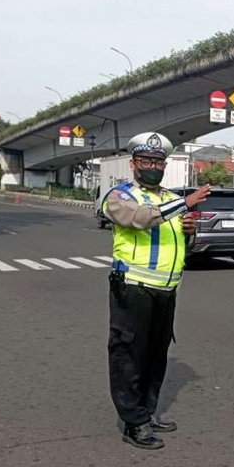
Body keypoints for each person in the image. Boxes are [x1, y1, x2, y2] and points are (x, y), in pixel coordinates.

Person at [100, 132, 211, 450]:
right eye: (146, 161)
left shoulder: (168, 199)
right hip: (133, 288)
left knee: (155, 354)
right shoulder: (120, 197)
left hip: (166, 289)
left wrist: (188, 230)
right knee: (129, 355)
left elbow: (176, 242)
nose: (153, 166)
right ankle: (133, 423)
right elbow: (137, 221)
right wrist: (185, 204)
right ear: (133, 164)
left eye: (158, 162)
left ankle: (147, 412)